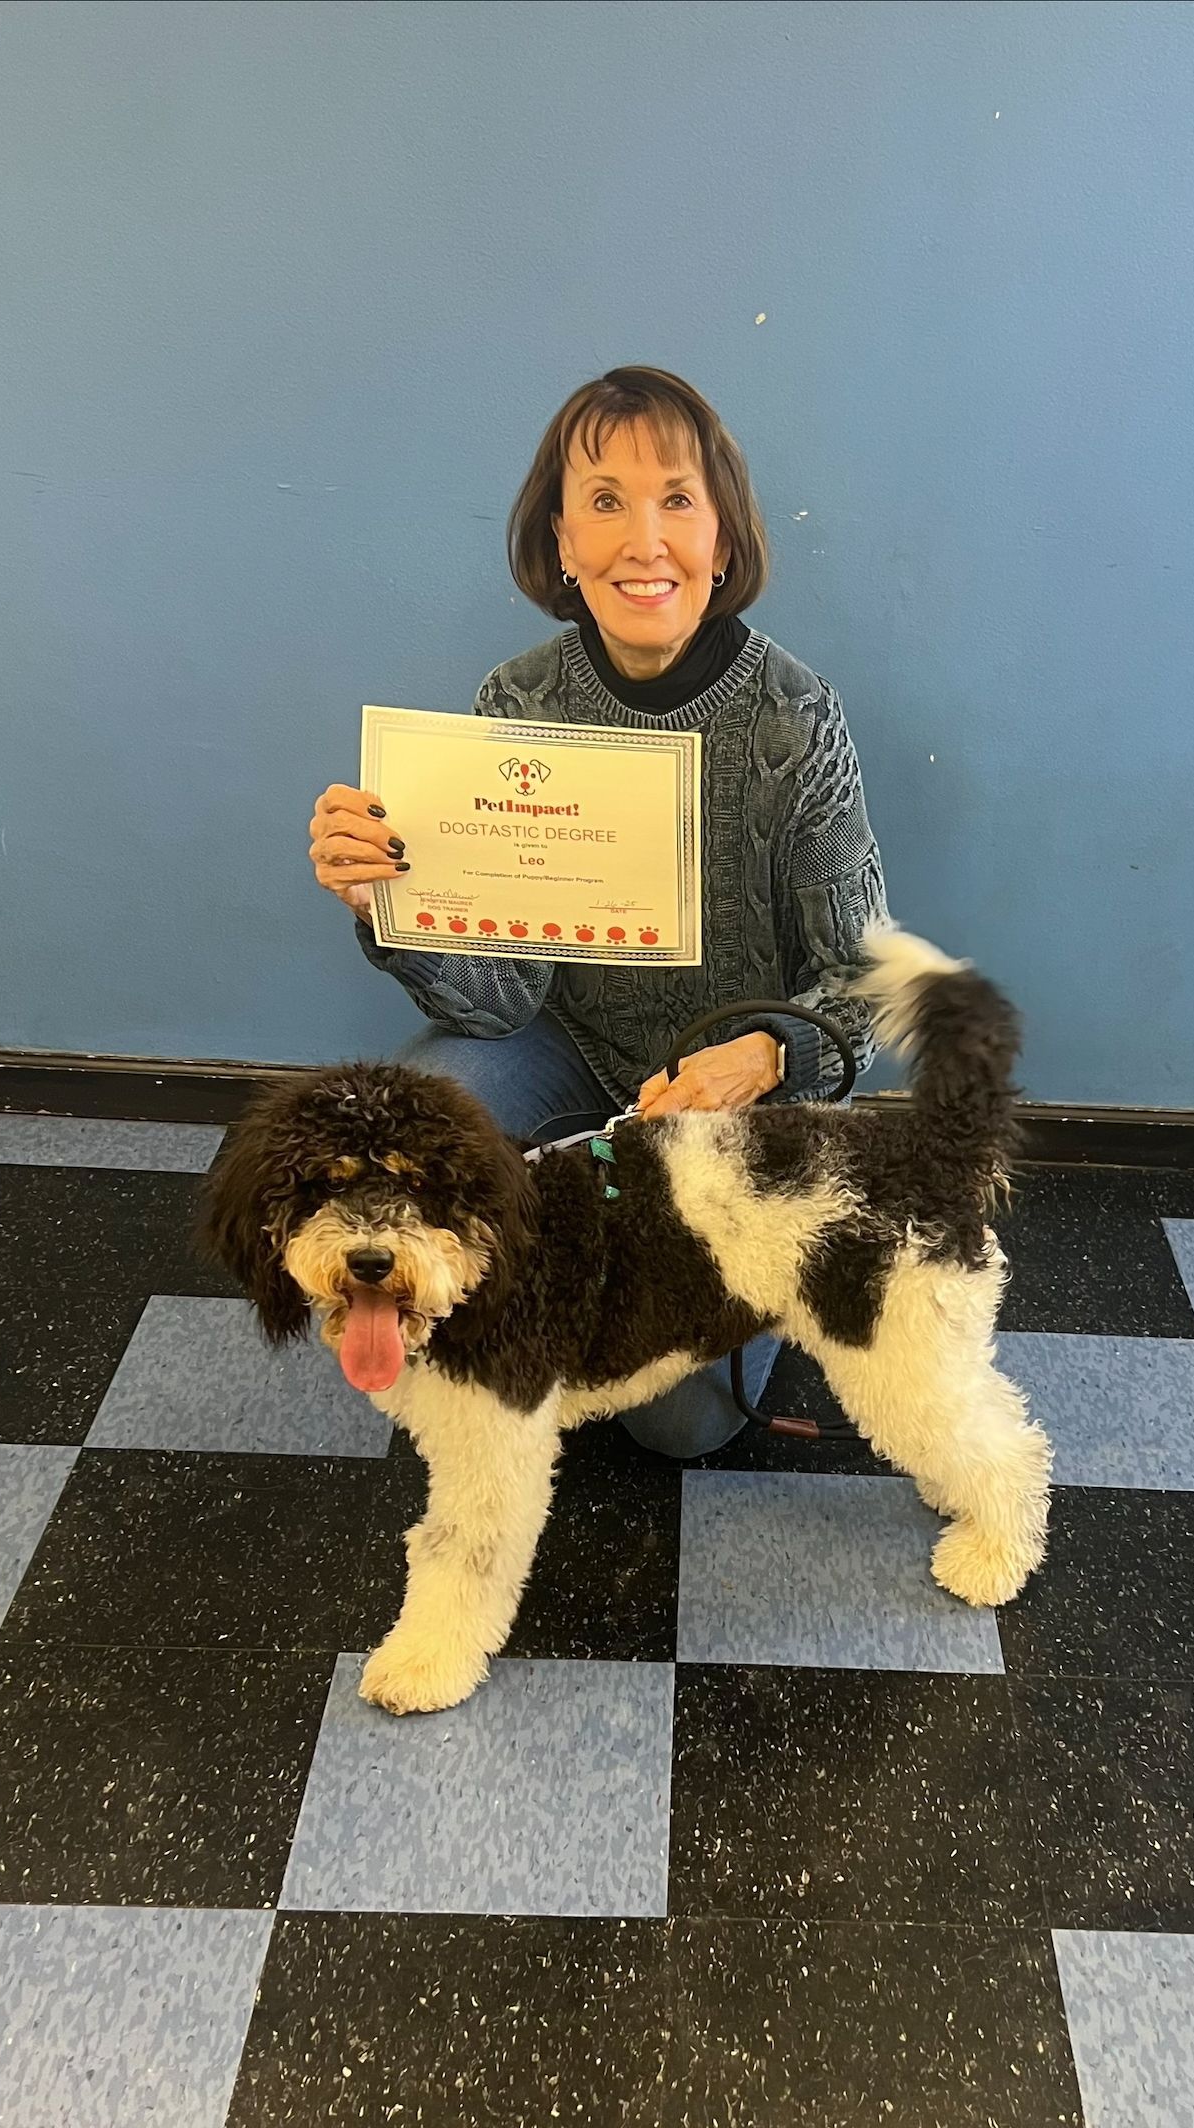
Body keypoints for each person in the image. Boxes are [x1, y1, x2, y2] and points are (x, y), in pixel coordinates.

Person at [306, 364, 889, 1455]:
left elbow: (862, 993)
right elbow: (500, 1001)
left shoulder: (793, 720)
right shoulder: (517, 702)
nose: (644, 539)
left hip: (732, 1095)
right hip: (570, 1046)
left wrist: (762, 1055)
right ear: (562, 542)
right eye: (604, 502)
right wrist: (392, 903)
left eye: (677, 499)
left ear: (724, 539)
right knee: (429, 1105)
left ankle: (697, 1282)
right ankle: (505, 1303)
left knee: (679, 1429)